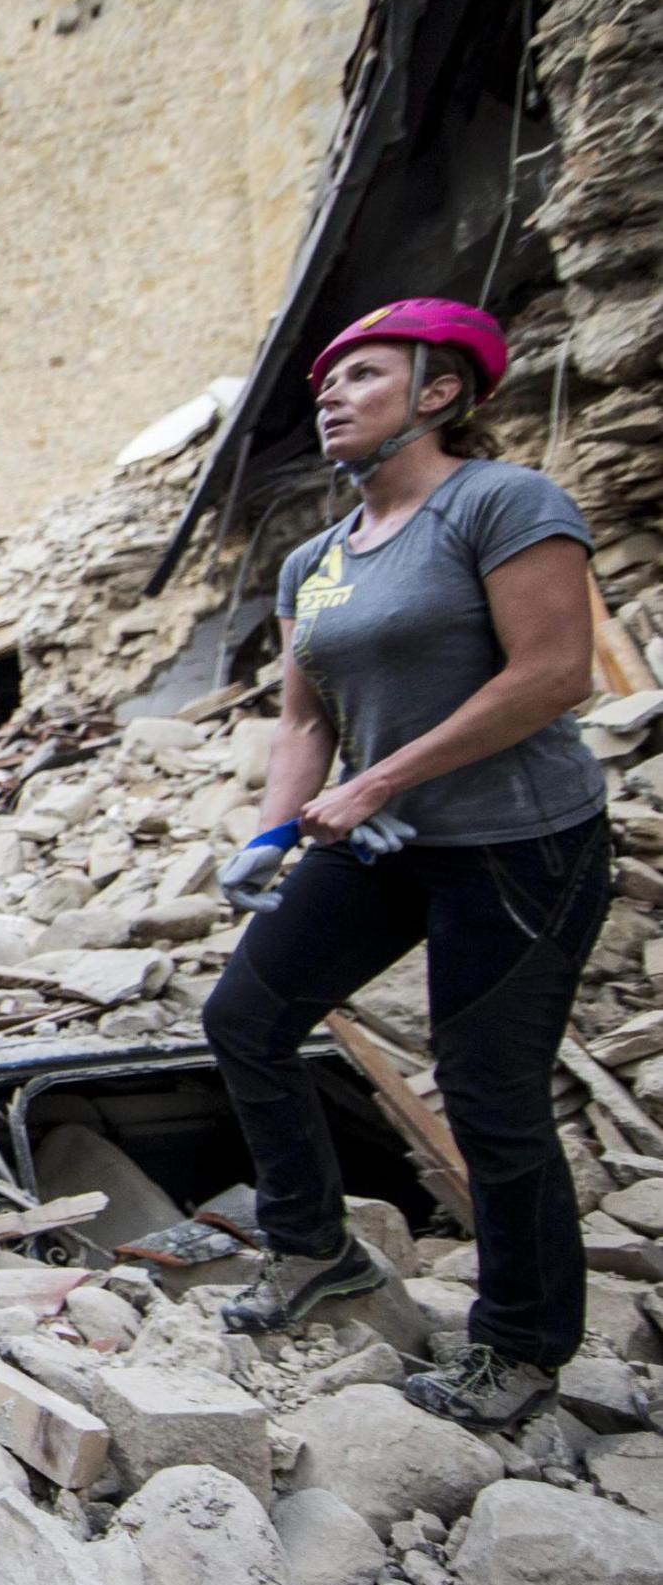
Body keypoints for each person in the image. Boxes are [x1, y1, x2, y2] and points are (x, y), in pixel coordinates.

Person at [204, 298, 606, 1427]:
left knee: (488, 1094)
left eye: (363, 376)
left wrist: (381, 781)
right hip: (381, 844)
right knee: (245, 1018)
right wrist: (271, 834)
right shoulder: (315, 563)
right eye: (325, 381)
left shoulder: (501, 503)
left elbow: (554, 671)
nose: (329, 393)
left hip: (519, 844)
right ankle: (313, 1247)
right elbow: (303, 721)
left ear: (437, 394)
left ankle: (521, 1347)